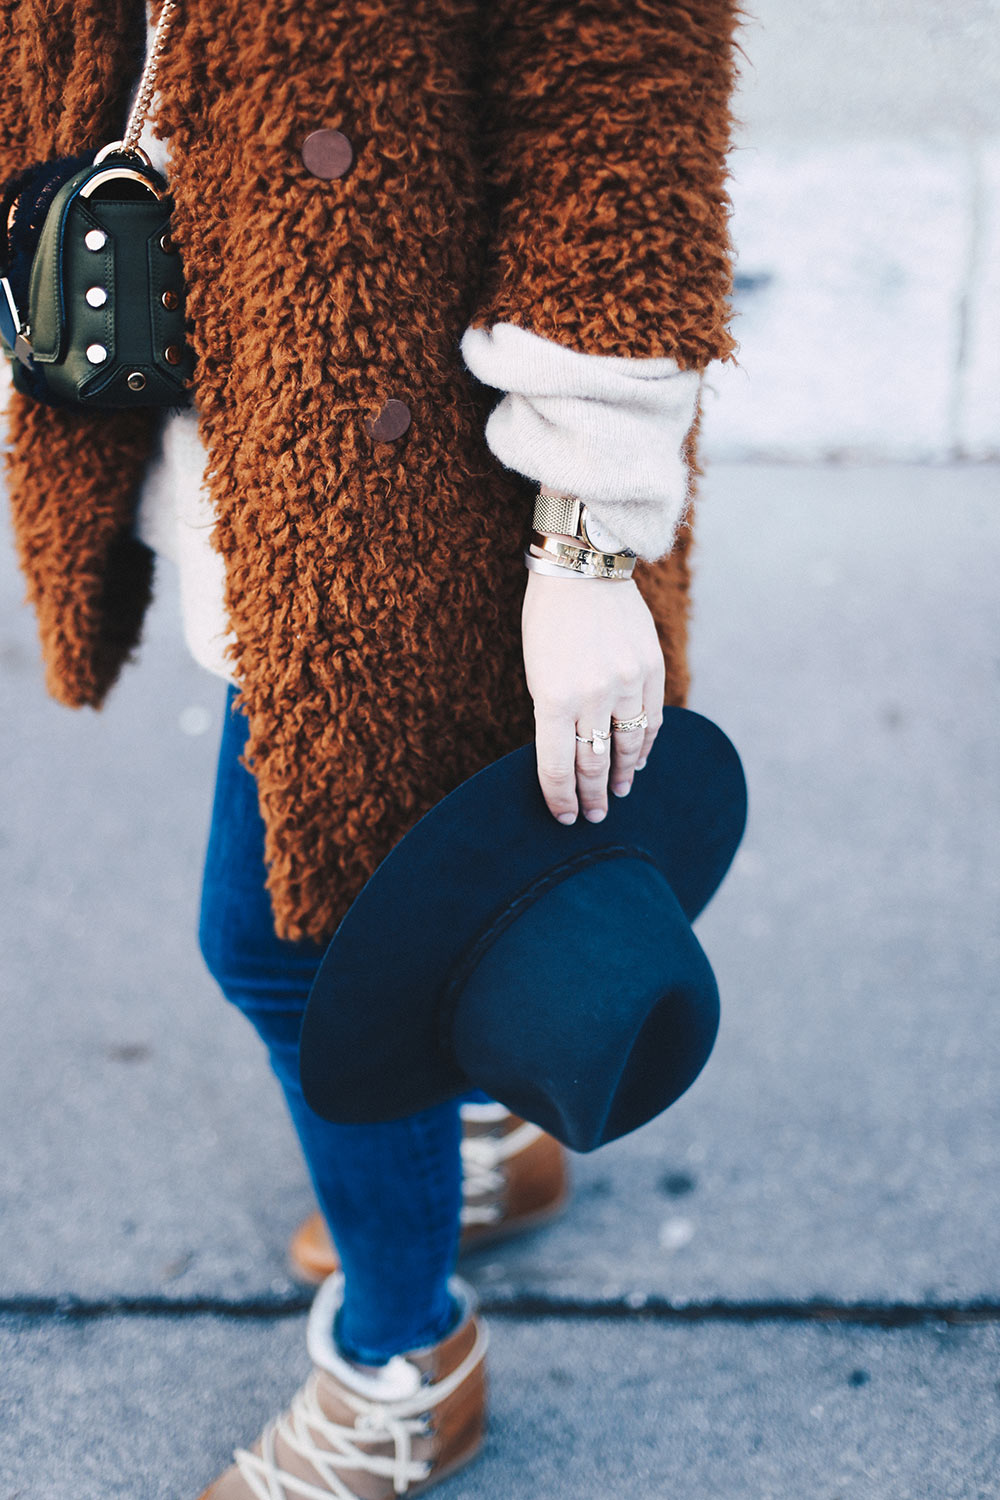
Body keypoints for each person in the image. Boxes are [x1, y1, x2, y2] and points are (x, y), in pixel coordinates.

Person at [1, 0, 740, 1494]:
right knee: (362, 909)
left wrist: (591, 540)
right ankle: (471, 1139)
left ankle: (407, 1365)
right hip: (250, 405)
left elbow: (619, 111)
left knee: (295, 946)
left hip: (422, 469)